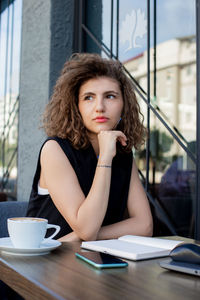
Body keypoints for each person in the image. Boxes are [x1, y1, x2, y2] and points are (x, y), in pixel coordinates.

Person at [26, 53, 153, 241]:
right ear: (76, 106)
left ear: (124, 105)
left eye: (110, 96)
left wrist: (73, 238)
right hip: (46, 264)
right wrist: (105, 158)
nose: (99, 107)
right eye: (88, 98)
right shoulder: (54, 150)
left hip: (96, 259)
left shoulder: (122, 153)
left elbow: (144, 225)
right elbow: (87, 228)